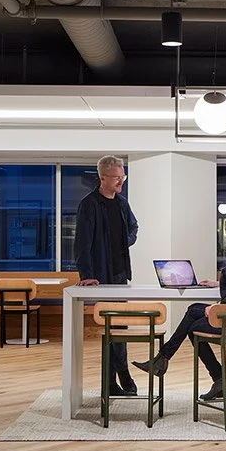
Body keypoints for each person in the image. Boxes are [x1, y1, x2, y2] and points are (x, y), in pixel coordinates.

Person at [133, 207, 226, 401]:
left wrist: (214, 309)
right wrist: (221, 283)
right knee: (193, 309)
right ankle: (162, 359)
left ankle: (214, 376)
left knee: (193, 327)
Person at [75, 155, 140, 397]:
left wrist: (126, 240)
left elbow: (134, 227)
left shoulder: (122, 203)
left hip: (120, 273)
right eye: (116, 178)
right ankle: (115, 380)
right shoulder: (89, 204)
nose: (121, 181)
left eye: (123, 177)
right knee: (111, 327)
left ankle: (117, 378)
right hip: (100, 276)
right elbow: (82, 244)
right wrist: (87, 275)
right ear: (103, 178)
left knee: (119, 326)